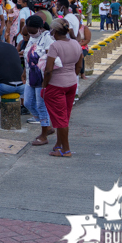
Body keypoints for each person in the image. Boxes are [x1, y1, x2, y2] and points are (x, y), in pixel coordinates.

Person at [42, 19, 83, 157]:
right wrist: (72, 75)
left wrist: (44, 85)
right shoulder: (76, 43)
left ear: (54, 31)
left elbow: (48, 70)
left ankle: (66, 150)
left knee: (60, 118)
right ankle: (58, 145)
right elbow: (79, 65)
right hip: (71, 82)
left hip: (56, 84)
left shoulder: (55, 46)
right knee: (64, 116)